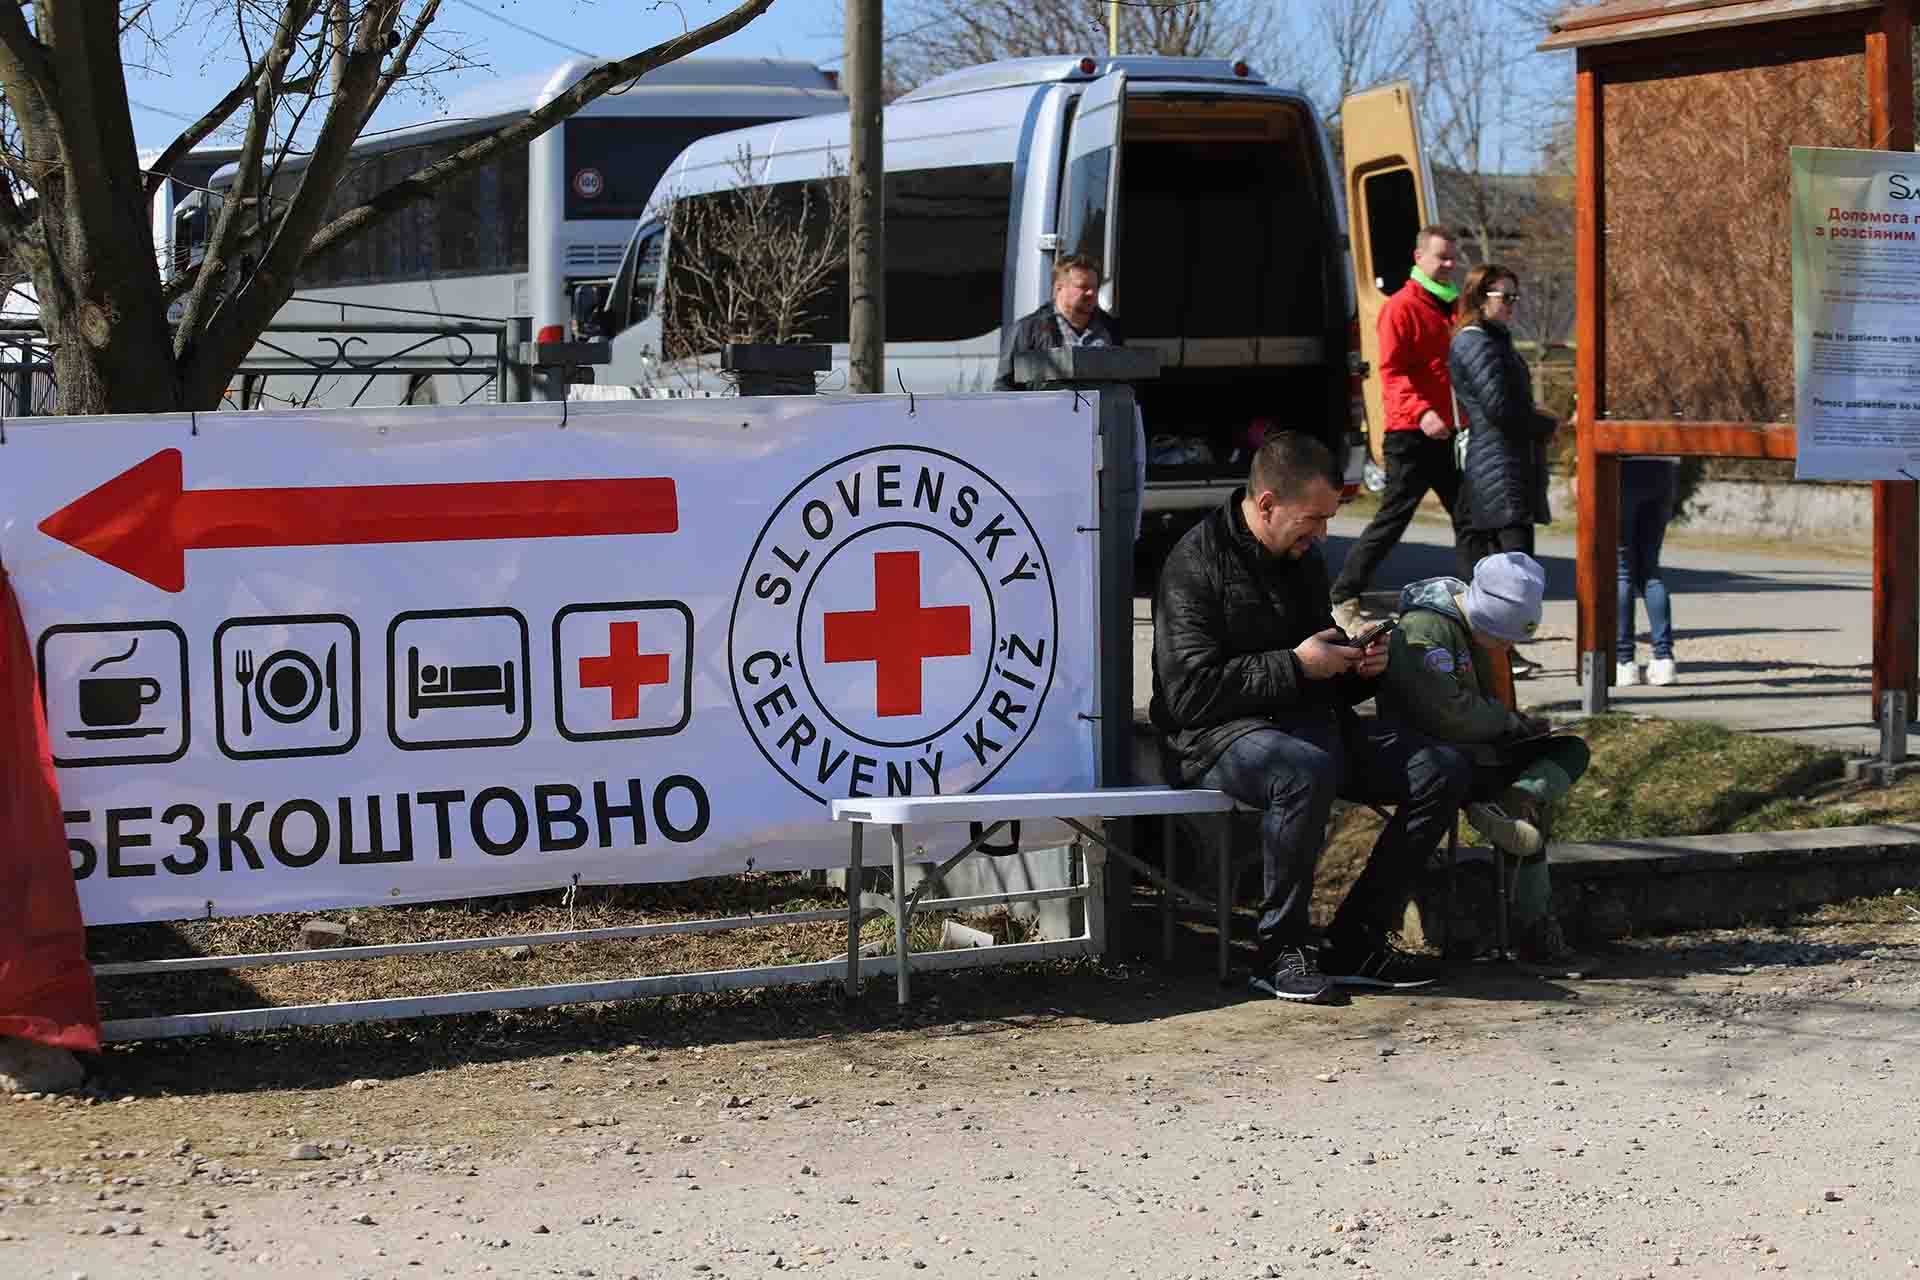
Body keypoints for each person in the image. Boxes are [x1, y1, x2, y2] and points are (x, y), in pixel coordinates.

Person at [1151, 430, 1472, 1004]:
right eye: (1313, 519)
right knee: (1302, 768)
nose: (1323, 533)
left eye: (1330, 518)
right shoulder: (1193, 562)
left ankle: (1357, 938)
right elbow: (1187, 696)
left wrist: (1356, 667)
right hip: (1214, 739)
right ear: (1268, 504)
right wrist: (1299, 667)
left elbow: (1315, 663)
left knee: (1440, 767)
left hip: (1305, 725)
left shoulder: (1301, 557)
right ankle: (1279, 951)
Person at [1374, 551, 1590, 966]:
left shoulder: (1478, 630)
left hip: (1483, 748)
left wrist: (1520, 725)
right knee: (1524, 822)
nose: (1506, 648)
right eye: (1502, 638)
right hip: (1436, 754)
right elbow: (1445, 713)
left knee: (1569, 751)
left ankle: (1513, 798)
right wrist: (1508, 724)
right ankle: (1534, 930)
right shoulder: (1426, 628)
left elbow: (1481, 704)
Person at [1330, 226, 1472, 635]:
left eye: (1452, 258)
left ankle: (1475, 610)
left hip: (1446, 434)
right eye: (1441, 257)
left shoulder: (1451, 308)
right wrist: (1422, 411)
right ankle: (1344, 594)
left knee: (1469, 519)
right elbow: (1392, 373)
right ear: (1419, 257)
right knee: (1394, 517)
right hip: (1411, 433)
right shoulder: (1402, 307)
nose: (1449, 264)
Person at [1448, 264, 1559, 679]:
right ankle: (1494, 659)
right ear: (1480, 298)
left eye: (1516, 297)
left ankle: (1499, 657)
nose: (1512, 305)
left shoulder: (1494, 341)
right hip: (1496, 467)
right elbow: (1499, 409)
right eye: (1504, 297)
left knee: (1511, 567)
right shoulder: (1475, 342)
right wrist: (1543, 423)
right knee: (1513, 570)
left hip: (1507, 464)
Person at [993, 254, 1123, 391]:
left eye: (1095, 287)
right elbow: (1004, 387)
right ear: (1058, 288)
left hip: (1100, 411)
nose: (1091, 293)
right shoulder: (1027, 329)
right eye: (1083, 287)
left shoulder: (1111, 328)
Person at [1617, 456, 1681, 686]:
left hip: (1622, 466)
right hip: (1663, 468)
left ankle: (1624, 661)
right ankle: (1664, 658)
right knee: (1651, 569)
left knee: (1622, 569)